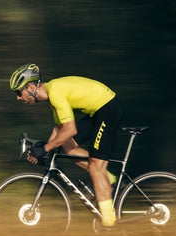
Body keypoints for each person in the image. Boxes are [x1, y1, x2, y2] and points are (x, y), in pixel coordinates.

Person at [9, 63, 123, 227]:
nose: (18, 98)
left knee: (96, 167)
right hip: (99, 111)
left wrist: (45, 149)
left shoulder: (55, 93)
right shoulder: (52, 94)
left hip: (108, 109)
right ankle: (108, 178)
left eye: (19, 92)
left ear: (32, 87)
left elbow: (70, 129)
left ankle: (109, 223)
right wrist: (44, 150)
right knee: (67, 146)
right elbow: (59, 129)